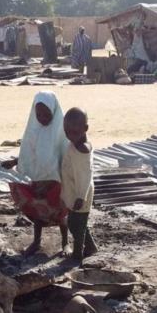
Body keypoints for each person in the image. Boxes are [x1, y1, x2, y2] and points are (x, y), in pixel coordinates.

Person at [3, 92, 70, 255]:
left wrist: (60, 179)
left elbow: (65, 156)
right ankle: (36, 242)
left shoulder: (60, 132)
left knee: (60, 214)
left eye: (46, 114)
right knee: (38, 212)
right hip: (39, 180)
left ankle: (65, 243)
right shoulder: (34, 131)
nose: (42, 117)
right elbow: (28, 153)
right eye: (38, 114)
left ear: (53, 111)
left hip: (56, 182)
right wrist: (14, 162)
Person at [60, 108, 99, 260]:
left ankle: (78, 253)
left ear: (85, 129)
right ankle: (90, 247)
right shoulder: (75, 144)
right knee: (77, 224)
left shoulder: (82, 150)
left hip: (81, 194)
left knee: (77, 226)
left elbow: (85, 176)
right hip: (74, 192)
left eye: (74, 132)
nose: (70, 135)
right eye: (67, 132)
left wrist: (80, 197)